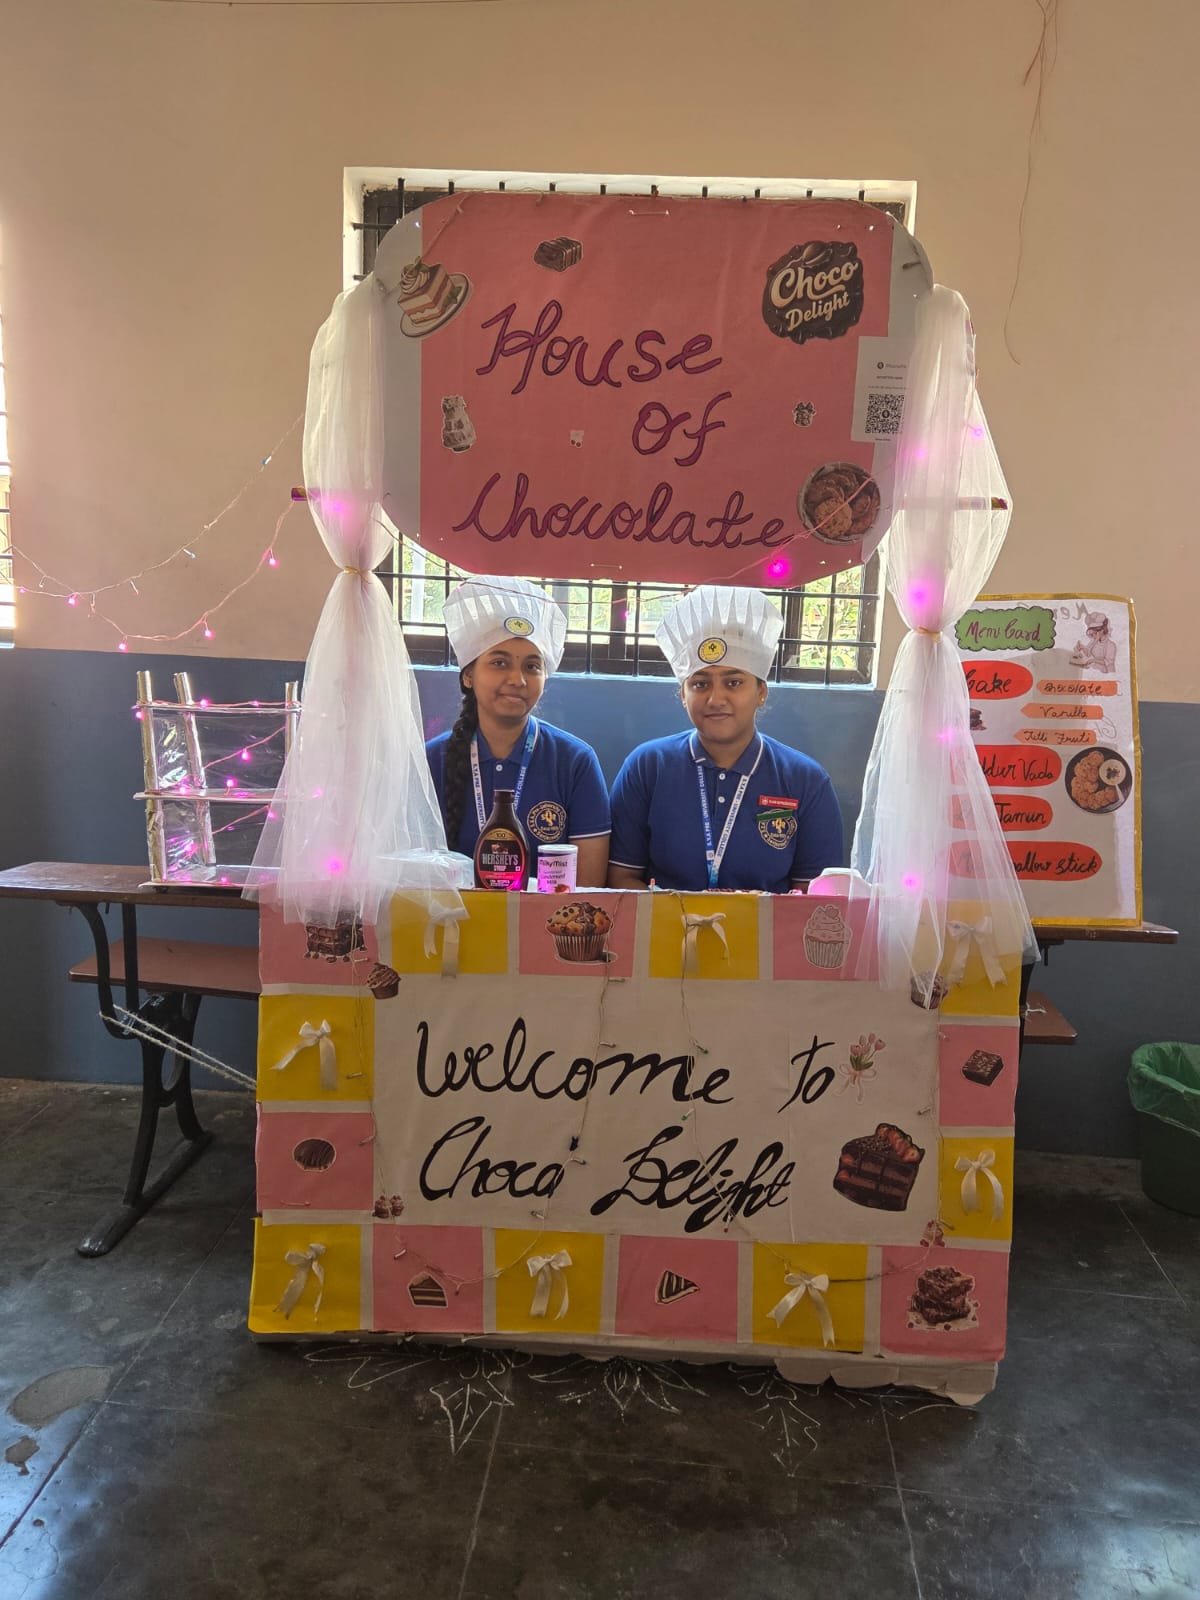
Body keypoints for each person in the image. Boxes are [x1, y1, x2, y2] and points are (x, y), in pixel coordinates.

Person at [608, 587, 843, 893]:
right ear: (683, 694)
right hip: (662, 924)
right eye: (700, 684)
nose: (716, 699)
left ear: (761, 692)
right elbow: (620, 879)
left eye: (733, 682)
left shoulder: (805, 780)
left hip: (769, 927)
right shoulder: (647, 767)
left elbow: (815, 896)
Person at [426, 576, 611, 886]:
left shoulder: (575, 761)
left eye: (531, 666)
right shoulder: (432, 760)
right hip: (454, 918)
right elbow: (416, 877)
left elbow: (587, 889)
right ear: (468, 675)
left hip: (552, 919)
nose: (517, 679)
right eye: (499, 663)